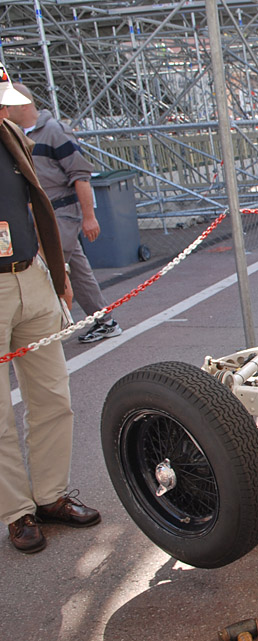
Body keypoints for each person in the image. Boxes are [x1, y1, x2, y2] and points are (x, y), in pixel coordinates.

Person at [0, 64, 100, 554]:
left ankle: (50, 496)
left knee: (53, 398)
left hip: (30, 274)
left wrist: (56, 273)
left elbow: (32, 201)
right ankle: (16, 513)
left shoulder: (12, 133)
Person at [7, 84, 122, 345]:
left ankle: (48, 331)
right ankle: (105, 321)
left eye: (7, 105)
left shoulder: (53, 132)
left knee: (47, 272)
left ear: (23, 105)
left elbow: (80, 175)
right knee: (77, 271)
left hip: (60, 213)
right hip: (42, 214)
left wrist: (88, 216)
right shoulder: (15, 133)